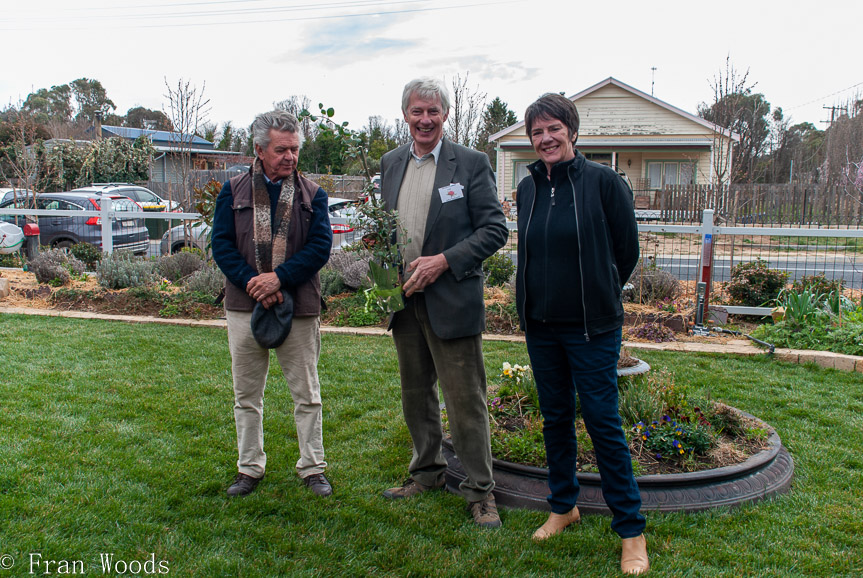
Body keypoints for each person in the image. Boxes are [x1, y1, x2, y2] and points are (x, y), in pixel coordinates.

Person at [514, 93, 649, 574]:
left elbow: (625, 251)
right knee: (554, 419)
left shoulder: (603, 182)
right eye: (536, 132)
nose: (545, 138)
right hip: (542, 328)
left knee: (602, 423)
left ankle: (631, 531)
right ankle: (563, 506)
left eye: (553, 128)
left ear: (571, 130)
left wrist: (599, 288)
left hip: (592, 328)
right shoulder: (527, 188)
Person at [379, 77, 509, 528]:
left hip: (451, 299)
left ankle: (479, 491)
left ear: (446, 116)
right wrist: (384, 276)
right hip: (405, 301)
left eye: (433, 111)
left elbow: (495, 230)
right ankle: (427, 472)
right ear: (405, 115)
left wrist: (444, 262)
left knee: (465, 401)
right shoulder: (390, 163)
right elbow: (387, 229)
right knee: (416, 396)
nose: (425, 119)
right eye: (417, 111)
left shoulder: (470, 164)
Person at [212, 109, 334, 498]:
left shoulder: (314, 194)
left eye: (295, 149)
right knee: (246, 396)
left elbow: (320, 248)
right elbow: (221, 245)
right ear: (259, 149)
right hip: (243, 305)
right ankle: (249, 469)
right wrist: (254, 283)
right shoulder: (232, 191)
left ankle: (312, 468)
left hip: (298, 306)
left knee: (307, 395)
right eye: (282, 150)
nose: (291, 157)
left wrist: (279, 279)